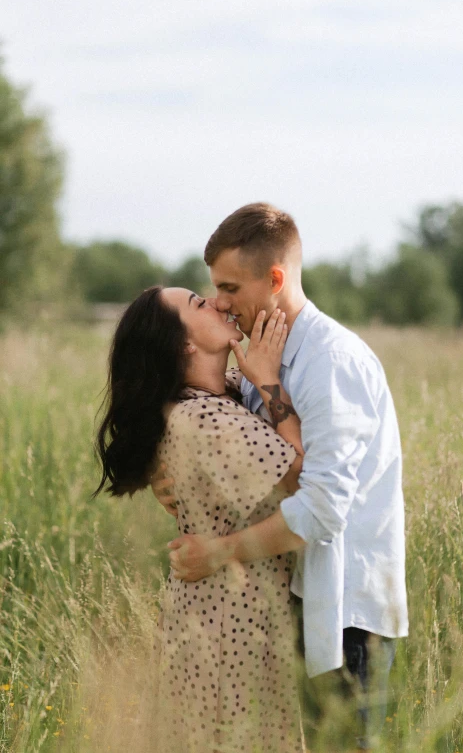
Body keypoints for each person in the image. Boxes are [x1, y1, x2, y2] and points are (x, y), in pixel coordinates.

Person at [161, 202, 409, 751]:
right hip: (296, 598)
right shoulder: (263, 359)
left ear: (275, 279)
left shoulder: (331, 361)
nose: (221, 304)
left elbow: (322, 508)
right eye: (213, 290)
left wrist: (220, 552)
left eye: (229, 288)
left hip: (346, 614)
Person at [93, 286, 307, 753]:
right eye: (198, 303)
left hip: (220, 618)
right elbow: (303, 481)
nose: (216, 301)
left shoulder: (214, 397)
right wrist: (270, 383)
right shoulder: (205, 417)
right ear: (182, 345)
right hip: (232, 628)